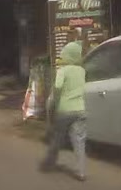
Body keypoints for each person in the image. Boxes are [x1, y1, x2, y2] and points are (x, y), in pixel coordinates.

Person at [40, 41, 87, 181]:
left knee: (57, 137)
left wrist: (53, 104)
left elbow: (57, 88)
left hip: (64, 109)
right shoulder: (82, 71)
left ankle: (50, 162)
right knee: (79, 142)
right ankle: (81, 172)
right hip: (80, 109)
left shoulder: (62, 71)